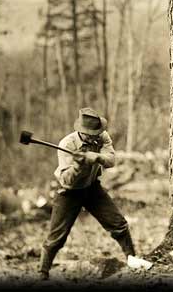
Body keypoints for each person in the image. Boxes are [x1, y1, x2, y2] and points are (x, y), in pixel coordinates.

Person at [38, 107, 136, 280]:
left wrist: (96, 157)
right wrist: (77, 166)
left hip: (92, 189)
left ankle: (133, 260)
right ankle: (42, 272)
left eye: (96, 132)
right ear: (80, 131)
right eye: (90, 133)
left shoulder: (102, 136)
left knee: (118, 224)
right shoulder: (66, 145)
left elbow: (111, 160)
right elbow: (67, 180)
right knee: (56, 237)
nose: (94, 136)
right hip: (69, 193)